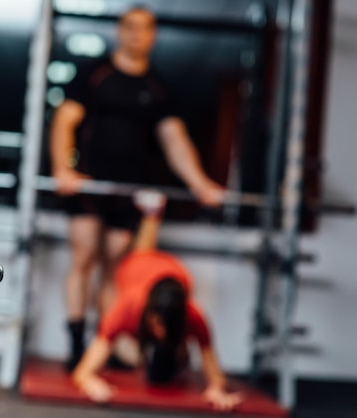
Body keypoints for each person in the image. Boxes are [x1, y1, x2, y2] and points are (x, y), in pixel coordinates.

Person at [49, 6, 225, 370]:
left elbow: (174, 141)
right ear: (120, 31)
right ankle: (77, 343)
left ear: (153, 35)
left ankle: (107, 341)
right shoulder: (94, 74)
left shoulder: (157, 87)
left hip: (129, 189)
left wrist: (200, 184)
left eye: (144, 29)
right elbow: (65, 121)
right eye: (130, 27)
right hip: (89, 182)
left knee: (116, 268)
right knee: (84, 257)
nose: (136, 35)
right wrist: (62, 168)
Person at [71, 190, 243, 412]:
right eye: (157, 324)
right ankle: (152, 215)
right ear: (150, 315)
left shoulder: (192, 315)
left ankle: (153, 214)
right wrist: (89, 381)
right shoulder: (128, 308)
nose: (160, 332)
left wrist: (216, 389)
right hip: (138, 268)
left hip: (175, 273)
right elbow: (83, 371)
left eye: (164, 326)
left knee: (165, 362)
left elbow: (212, 365)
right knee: (142, 252)